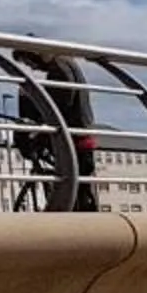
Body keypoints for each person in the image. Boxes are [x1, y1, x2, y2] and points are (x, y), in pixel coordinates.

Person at [9, 50, 98, 211]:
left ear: (36, 55)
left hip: (73, 136)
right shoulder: (66, 64)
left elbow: (60, 103)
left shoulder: (59, 68)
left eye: (30, 63)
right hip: (81, 134)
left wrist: (40, 123)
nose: (33, 68)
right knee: (81, 189)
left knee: (76, 189)